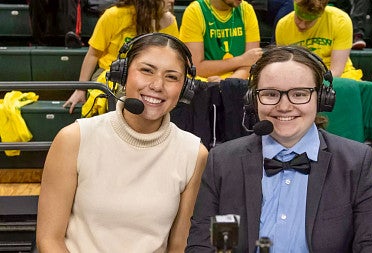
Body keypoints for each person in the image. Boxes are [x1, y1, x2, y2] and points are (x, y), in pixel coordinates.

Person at [186, 45, 372, 252]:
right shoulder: (223, 162)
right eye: (270, 94)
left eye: (299, 94)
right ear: (253, 100)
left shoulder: (356, 162)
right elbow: (206, 245)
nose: (284, 106)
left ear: (322, 98)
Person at [36, 33, 208, 252]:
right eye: (146, 70)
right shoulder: (74, 139)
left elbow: (178, 247)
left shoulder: (193, 153)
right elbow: (49, 240)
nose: (157, 85)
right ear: (122, 73)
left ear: (185, 89)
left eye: (172, 77)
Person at [64, 0, 179, 116]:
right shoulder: (113, 15)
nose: (172, 1)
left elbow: (173, 60)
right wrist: (80, 89)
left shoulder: (170, 22)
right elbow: (93, 54)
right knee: (122, 92)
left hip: (151, 75)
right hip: (112, 73)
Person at [275, 0, 363, 80]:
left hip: (338, 78)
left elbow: (336, 71)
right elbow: (285, 68)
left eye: (309, 21)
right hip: (300, 80)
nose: (302, 25)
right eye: (299, 18)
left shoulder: (340, 21)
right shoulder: (283, 26)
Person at [179, 0, 264, 82]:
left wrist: (228, 83)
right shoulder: (195, 11)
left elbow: (252, 61)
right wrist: (242, 60)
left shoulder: (247, 9)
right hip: (207, 83)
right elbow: (195, 68)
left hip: (239, 82)